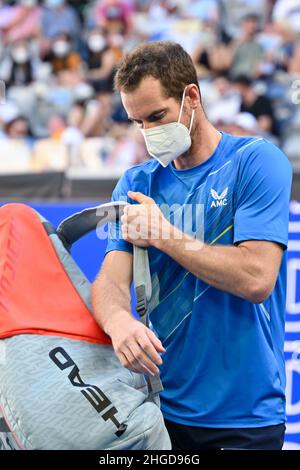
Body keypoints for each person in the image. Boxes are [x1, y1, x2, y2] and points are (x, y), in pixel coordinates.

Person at [91, 41, 292, 450]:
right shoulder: (135, 183)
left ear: (192, 97)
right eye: (137, 122)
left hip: (243, 415)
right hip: (158, 413)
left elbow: (256, 278)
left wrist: (163, 234)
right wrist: (118, 323)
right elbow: (109, 282)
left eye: (157, 116)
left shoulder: (257, 162)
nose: (148, 133)